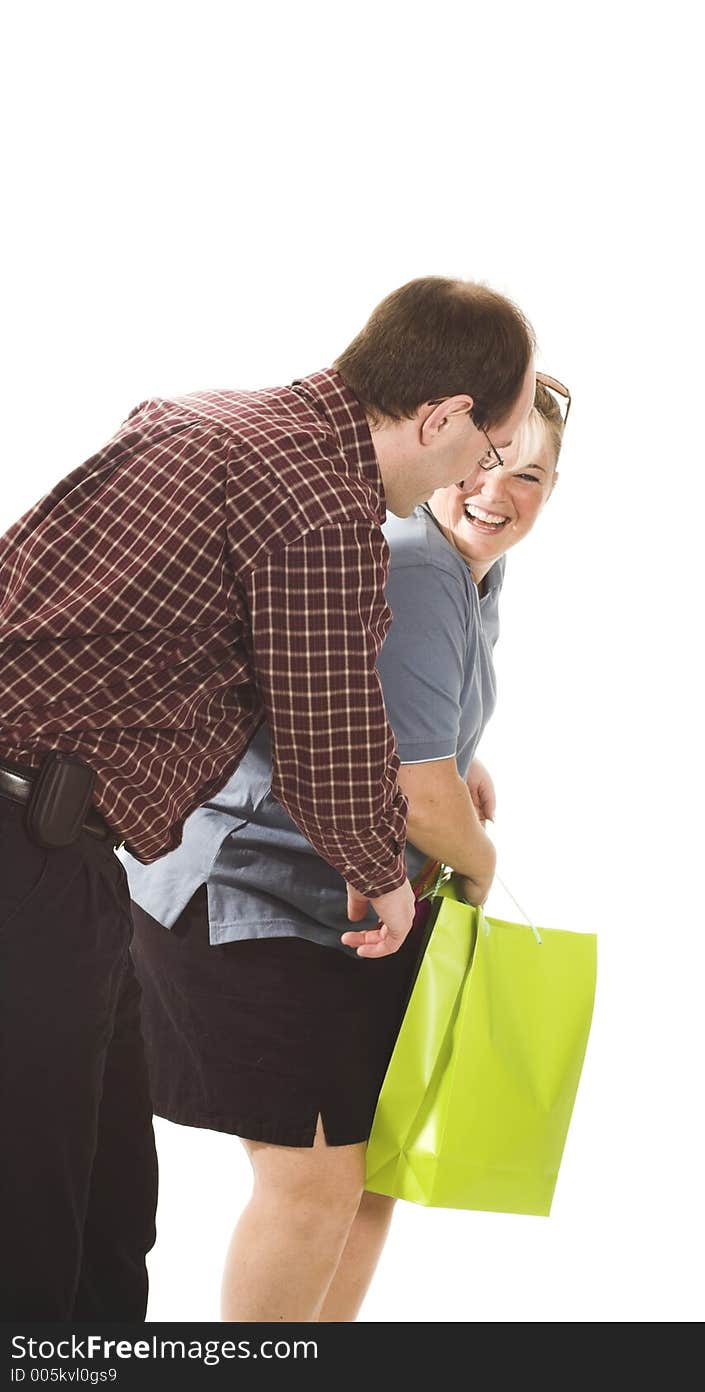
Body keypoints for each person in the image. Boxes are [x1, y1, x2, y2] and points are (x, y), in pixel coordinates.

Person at [0, 277, 537, 1321]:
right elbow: (328, 732)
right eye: (484, 448)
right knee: (36, 1214)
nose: (481, 474)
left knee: (107, 1205)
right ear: (440, 418)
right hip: (25, 848)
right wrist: (383, 876)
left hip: (78, 856)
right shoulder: (323, 503)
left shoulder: (196, 414)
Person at [122, 377, 569, 1322]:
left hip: (351, 903)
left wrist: (463, 751)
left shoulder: (470, 566)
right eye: (490, 463)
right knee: (319, 1179)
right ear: (451, 449)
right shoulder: (416, 559)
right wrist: (479, 862)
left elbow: (396, 717)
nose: (500, 493)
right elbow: (416, 793)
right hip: (255, 892)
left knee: (372, 1175)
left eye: (531, 476)